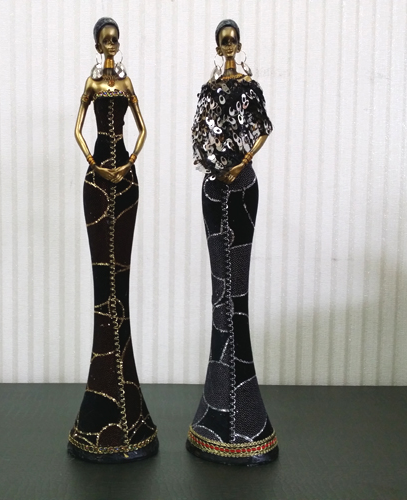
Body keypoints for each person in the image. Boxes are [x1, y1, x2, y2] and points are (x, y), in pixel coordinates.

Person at [186, 19, 279, 465]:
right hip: (214, 188)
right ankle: (218, 407)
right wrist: (216, 168)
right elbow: (198, 138)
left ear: (239, 45)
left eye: (232, 42)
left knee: (234, 292)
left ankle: (243, 419)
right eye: (222, 42)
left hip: (242, 187)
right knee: (220, 292)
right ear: (217, 46)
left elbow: (263, 129)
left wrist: (241, 162)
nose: (228, 48)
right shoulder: (208, 92)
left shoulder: (249, 88)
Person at [67, 17, 158, 463]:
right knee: (104, 285)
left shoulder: (125, 83)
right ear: (96, 44)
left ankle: (128, 413)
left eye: (115, 40)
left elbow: (142, 128)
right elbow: (78, 129)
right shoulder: (91, 83)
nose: (110, 46)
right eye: (105, 40)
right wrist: (95, 163)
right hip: (97, 180)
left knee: (118, 279)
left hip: (125, 179)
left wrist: (128, 162)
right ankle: (105, 409)